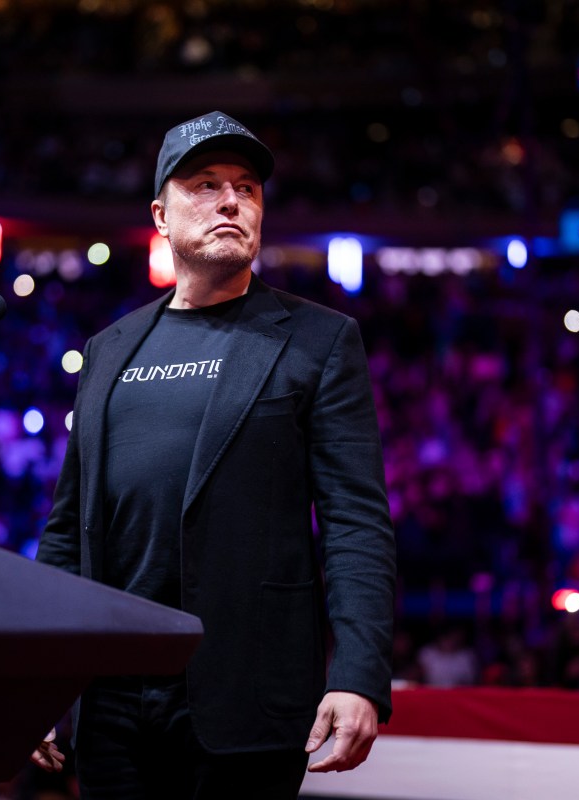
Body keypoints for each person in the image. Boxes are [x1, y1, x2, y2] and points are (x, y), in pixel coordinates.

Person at [34, 110, 397, 799]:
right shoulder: (109, 349)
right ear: (160, 216)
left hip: (246, 697)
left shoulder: (320, 339)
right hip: (110, 702)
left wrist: (358, 673)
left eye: (246, 188)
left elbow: (355, 523)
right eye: (205, 184)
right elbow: (66, 532)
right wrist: (40, 678)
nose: (231, 200)